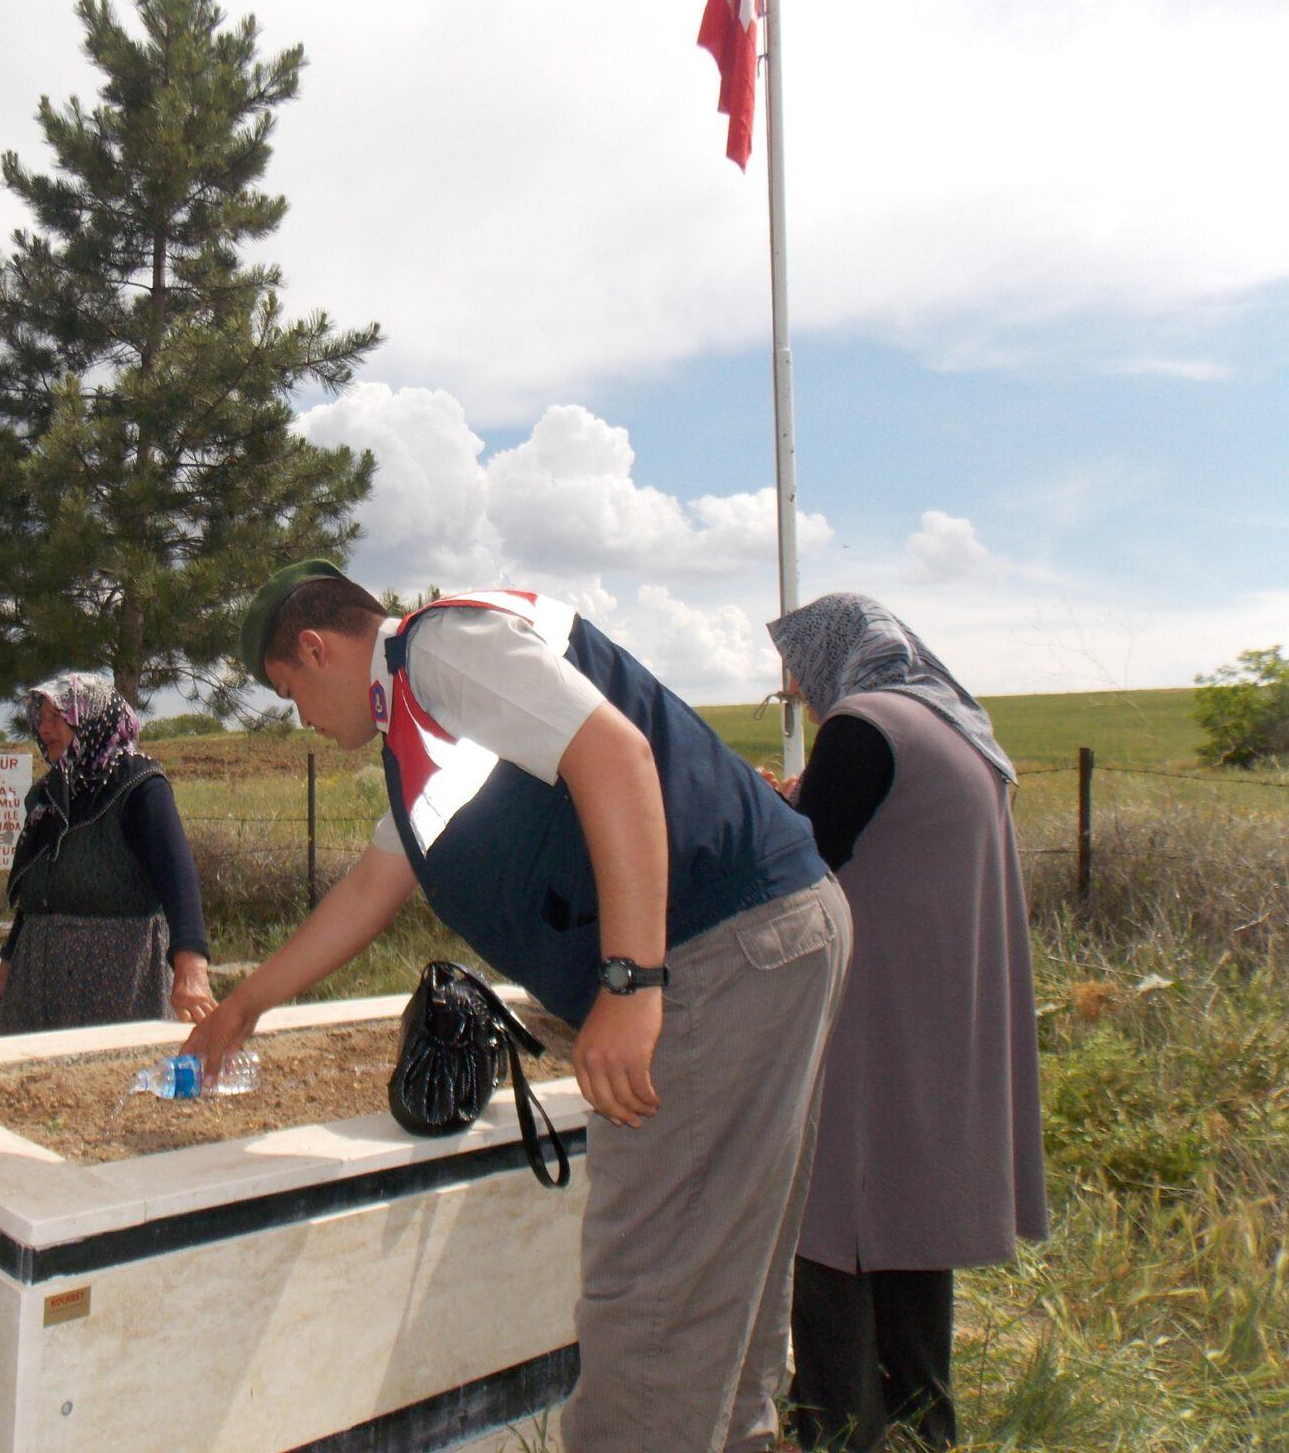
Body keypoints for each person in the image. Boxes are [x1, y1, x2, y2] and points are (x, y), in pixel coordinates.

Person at [184, 561, 852, 1453]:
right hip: (760, 937)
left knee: (651, 1290)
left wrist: (629, 984)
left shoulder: (444, 651)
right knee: (723, 1271)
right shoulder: (418, 730)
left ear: (315, 647)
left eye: (286, 690)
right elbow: (371, 888)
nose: (298, 716)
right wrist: (244, 1008)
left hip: (716, 948)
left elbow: (614, 755)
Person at [763, 594, 1047, 1453]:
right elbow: (881, 830)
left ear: (830, 658)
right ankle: (927, 1430)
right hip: (941, 1014)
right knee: (912, 1231)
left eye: (798, 679)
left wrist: (759, 808)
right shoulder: (956, 726)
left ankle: (844, 1433)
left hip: (868, 1020)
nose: (803, 699)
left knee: (831, 1235)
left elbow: (801, 857)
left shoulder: (864, 724)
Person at [0, 671, 217, 1032]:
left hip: (118, 975)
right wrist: (9, 963)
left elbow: (178, 879)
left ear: (90, 719)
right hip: (39, 976)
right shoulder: (49, 793)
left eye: (57, 718)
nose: (44, 729)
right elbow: (37, 889)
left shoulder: (140, 786)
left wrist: (191, 968)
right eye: (41, 718)